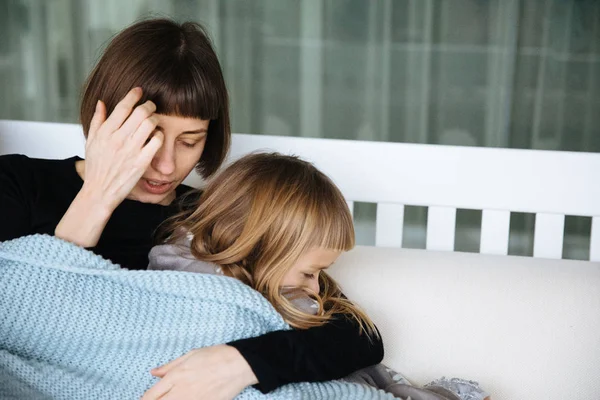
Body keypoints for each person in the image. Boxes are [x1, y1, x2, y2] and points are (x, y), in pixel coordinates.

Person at [0, 18, 383, 399]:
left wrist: (240, 362)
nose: (165, 165)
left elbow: (357, 335)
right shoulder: (18, 183)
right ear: (106, 120)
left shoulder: (214, 216)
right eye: (148, 137)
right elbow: (15, 306)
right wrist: (98, 194)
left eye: (190, 141)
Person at [148, 152, 491, 400]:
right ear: (260, 248)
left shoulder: (289, 283)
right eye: (310, 272)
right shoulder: (183, 283)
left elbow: (364, 337)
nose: (315, 287)